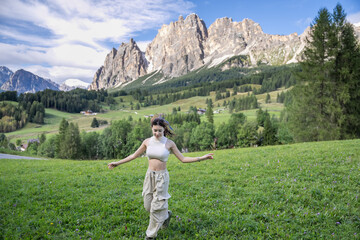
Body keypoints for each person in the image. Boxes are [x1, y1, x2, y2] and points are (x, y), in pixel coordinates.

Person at [108, 117, 214, 239]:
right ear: (151, 129)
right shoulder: (147, 142)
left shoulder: (169, 143)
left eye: (160, 130)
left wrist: (202, 158)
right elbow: (133, 155)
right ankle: (166, 215)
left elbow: (183, 159)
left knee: (156, 208)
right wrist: (117, 163)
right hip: (149, 176)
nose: (157, 133)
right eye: (155, 130)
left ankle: (150, 235)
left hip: (162, 178)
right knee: (148, 206)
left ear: (164, 130)